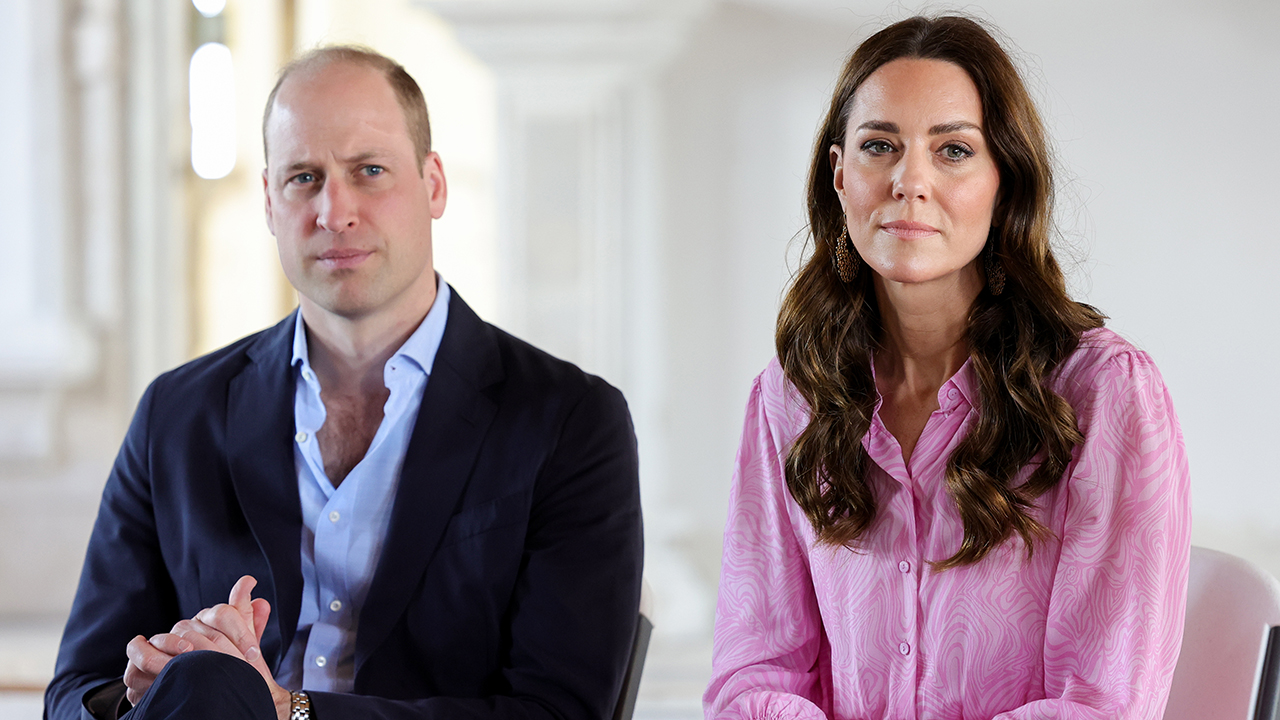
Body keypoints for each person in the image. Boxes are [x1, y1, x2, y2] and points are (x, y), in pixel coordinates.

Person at [45, 46, 643, 720]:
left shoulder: (569, 420)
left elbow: (559, 712)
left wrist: (288, 711)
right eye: (304, 177)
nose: (335, 211)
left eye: (370, 171)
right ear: (269, 202)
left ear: (434, 184)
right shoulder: (176, 413)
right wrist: (147, 683)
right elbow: (75, 693)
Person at [704, 15, 1190, 720]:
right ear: (840, 174)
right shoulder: (790, 398)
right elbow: (752, 678)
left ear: (1004, 183)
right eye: (879, 146)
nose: (909, 181)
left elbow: (1101, 704)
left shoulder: (1106, 394)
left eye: (953, 150)